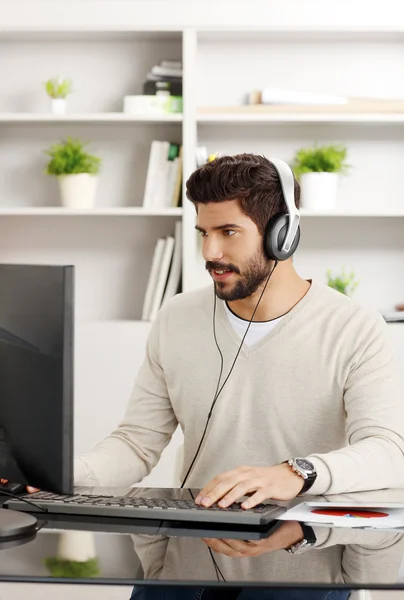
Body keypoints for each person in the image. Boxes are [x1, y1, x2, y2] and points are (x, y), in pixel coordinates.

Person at [73, 154, 404, 599]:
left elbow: (388, 451)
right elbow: (137, 441)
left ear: (282, 235)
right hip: (184, 572)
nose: (211, 253)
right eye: (204, 233)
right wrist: (65, 474)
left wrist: (296, 473)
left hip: (298, 574)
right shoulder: (177, 317)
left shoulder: (354, 328)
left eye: (228, 232)